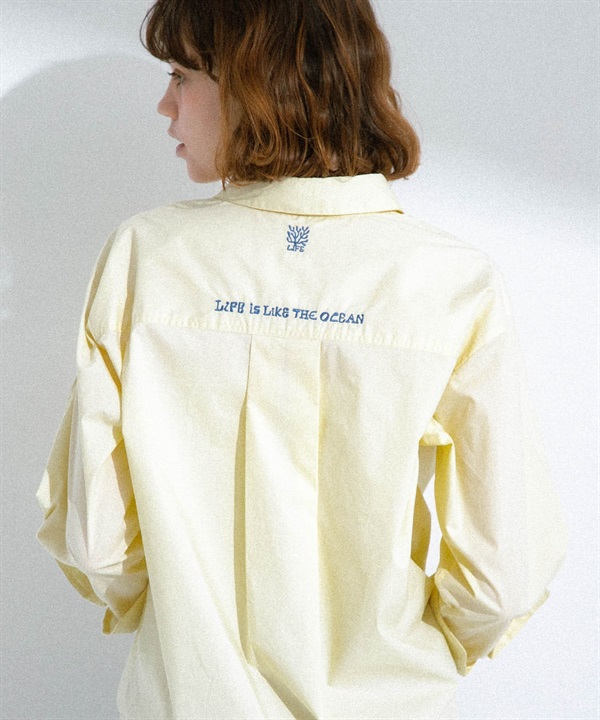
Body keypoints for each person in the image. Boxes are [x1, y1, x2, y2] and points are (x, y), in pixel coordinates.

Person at [35, 1, 567, 718]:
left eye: (182, 76)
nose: (165, 105)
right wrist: (401, 667)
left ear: (257, 83)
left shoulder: (146, 258)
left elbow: (99, 544)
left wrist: (187, 625)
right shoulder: (451, 283)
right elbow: (500, 582)